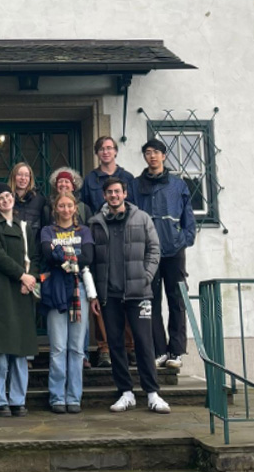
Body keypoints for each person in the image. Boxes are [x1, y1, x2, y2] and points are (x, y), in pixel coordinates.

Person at [89, 176, 170, 414]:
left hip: (139, 293)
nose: (113, 196)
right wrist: (95, 292)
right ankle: (126, 392)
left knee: (144, 343)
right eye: (109, 192)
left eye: (117, 191)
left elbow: (155, 249)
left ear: (125, 193)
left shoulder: (142, 218)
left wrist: (145, 276)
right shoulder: (95, 223)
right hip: (109, 295)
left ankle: (152, 393)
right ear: (104, 196)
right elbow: (91, 261)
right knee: (115, 345)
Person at [0, 182, 39, 417]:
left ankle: (18, 399)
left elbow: (34, 256)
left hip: (22, 291)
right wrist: (21, 275)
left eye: (8, 196)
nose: (5, 200)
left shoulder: (25, 226)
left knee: (20, 350)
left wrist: (30, 279)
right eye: (0, 198)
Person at [134, 139, 196, 370]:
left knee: (176, 299)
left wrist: (185, 240)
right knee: (151, 301)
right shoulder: (135, 184)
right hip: (147, 251)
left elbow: (188, 216)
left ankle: (176, 351)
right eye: (148, 152)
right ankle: (159, 350)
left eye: (156, 152)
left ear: (164, 155)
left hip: (173, 250)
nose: (152, 156)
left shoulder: (177, 184)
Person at [40, 190, 95, 413]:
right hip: (55, 289)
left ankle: (73, 397)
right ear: (55, 209)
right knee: (58, 347)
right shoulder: (47, 230)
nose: (65, 209)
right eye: (61, 206)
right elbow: (46, 253)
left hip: (78, 288)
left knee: (76, 348)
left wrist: (60, 253)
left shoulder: (84, 231)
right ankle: (56, 397)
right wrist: (72, 257)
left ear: (75, 208)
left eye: (69, 206)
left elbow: (88, 258)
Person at [79, 137, 136, 215]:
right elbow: (85, 209)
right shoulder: (89, 179)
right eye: (101, 149)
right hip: (98, 225)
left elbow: (133, 205)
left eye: (109, 148)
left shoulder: (127, 177)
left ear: (115, 151)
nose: (105, 152)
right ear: (97, 153)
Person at [11, 162, 45, 240]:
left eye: (26, 175)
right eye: (19, 174)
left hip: (33, 249)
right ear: (13, 177)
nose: (23, 178)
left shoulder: (39, 201)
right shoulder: (6, 199)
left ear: (30, 179)